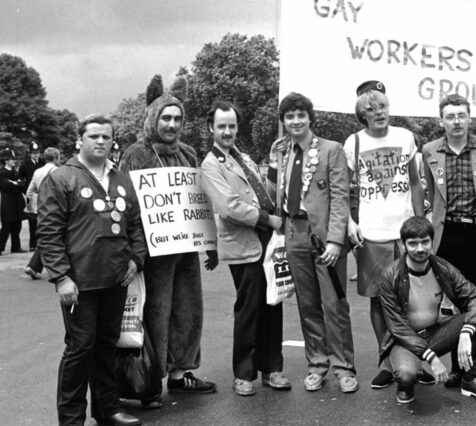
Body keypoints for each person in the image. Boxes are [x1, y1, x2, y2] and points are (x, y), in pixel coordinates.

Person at [37, 115, 147, 426]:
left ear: (114, 142)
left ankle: (108, 409)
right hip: (79, 283)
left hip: (115, 279)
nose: (100, 141)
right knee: (80, 348)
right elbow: (48, 234)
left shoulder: (123, 179)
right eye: (94, 136)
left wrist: (136, 259)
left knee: (107, 347)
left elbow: (136, 225)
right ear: (79, 141)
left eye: (106, 137)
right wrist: (61, 276)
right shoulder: (62, 178)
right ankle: (71, 420)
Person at [120, 75, 217, 406]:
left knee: (188, 310)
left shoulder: (188, 153)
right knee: (155, 314)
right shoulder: (135, 154)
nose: (172, 124)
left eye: (177, 118)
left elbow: (198, 201)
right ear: (153, 118)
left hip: (185, 248)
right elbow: (127, 205)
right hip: (153, 252)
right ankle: (148, 379)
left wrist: (210, 243)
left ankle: (181, 373)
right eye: (166, 117)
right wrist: (134, 252)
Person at [199, 100, 290, 396]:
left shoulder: (244, 158)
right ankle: (244, 374)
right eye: (221, 126)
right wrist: (269, 219)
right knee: (249, 308)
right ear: (211, 128)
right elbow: (229, 207)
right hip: (244, 242)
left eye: (232, 126)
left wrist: (274, 163)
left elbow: (265, 191)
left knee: (272, 303)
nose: (227, 131)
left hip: (266, 239)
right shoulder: (211, 164)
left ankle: (272, 369)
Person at [344, 80, 430, 389]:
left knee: (414, 301)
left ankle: (419, 359)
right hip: (372, 235)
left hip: (404, 233)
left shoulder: (405, 137)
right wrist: (349, 223)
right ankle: (385, 362)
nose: (379, 112)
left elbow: (416, 183)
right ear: (361, 114)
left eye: (383, 106)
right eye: (371, 109)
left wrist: (421, 223)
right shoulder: (353, 143)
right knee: (379, 302)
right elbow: (344, 190)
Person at [270, 92, 358, 393]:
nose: (295, 121)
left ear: (310, 117)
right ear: (284, 121)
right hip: (294, 234)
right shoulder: (282, 153)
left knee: (333, 304)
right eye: (289, 117)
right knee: (307, 306)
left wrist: (335, 240)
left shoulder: (331, 150)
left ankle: (344, 368)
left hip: (324, 239)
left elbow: (340, 197)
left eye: (300, 115)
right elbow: (277, 194)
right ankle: (317, 365)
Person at [376, 216, 476, 405]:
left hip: (436, 334)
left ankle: (472, 379)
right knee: (407, 375)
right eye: (413, 243)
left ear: (432, 242)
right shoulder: (390, 276)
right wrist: (432, 359)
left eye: (425, 242)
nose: (420, 249)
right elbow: (397, 328)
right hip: (405, 340)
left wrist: (467, 331)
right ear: (403, 245)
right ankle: (406, 384)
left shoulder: (442, 267)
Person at [421, 94, 476, 387]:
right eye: (450, 116)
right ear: (441, 120)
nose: (456, 121)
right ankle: (459, 368)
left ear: (469, 118)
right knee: (453, 305)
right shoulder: (430, 150)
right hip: (447, 234)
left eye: (461, 115)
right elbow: (430, 192)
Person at [24, 146, 61, 279]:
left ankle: (34, 266)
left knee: (48, 236)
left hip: (41, 209)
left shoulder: (37, 171)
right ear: (56, 158)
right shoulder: (59, 171)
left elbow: (29, 192)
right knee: (58, 236)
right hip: (56, 208)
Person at [0, 148, 27, 254]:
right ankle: (0, 247)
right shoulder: (2, 172)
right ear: (6, 160)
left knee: (17, 225)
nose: (14, 161)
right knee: (6, 226)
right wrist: (16, 183)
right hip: (7, 202)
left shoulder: (15, 172)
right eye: (12, 159)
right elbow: (6, 186)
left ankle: (16, 247)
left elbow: (22, 184)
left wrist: (15, 183)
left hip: (17, 201)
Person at [20, 141, 45, 250]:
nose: (36, 155)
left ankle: (42, 242)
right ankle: (32, 244)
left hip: (42, 193)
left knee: (43, 219)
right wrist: (26, 192)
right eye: (34, 153)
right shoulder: (25, 165)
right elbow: (21, 179)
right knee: (32, 220)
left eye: (37, 153)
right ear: (30, 154)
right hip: (31, 194)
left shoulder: (42, 163)